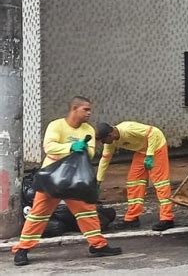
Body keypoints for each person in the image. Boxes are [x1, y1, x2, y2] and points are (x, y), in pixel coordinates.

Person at [12, 96, 122, 267]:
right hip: (52, 177)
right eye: (85, 109)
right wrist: (71, 148)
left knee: (87, 212)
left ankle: (98, 245)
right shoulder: (56, 126)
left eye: (89, 110)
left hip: (74, 180)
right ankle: (22, 249)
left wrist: (82, 149)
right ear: (74, 108)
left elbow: (90, 153)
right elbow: (49, 148)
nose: (89, 113)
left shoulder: (88, 130)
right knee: (38, 214)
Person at [95, 121, 174, 231]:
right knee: (134, 182)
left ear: (111, 134)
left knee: (161, 183)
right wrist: (98, 181)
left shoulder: (128, 129)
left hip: (156, 146)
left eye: (103, 140)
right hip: (142, 151)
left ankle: (167, 218)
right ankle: (132, 218)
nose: (104, 143)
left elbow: (153, 132)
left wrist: (150, 155)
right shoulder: (110, 142)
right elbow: (105, 159)